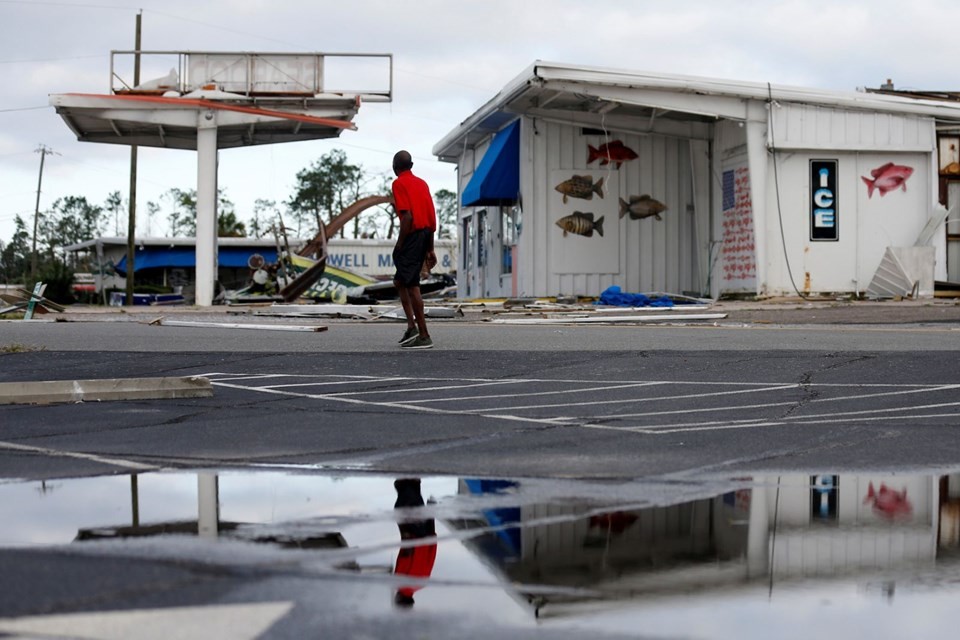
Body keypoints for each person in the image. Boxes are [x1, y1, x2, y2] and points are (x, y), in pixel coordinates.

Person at [390, 150, 437, 349]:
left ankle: (424, 334)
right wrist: (430, 249)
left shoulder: (399, 183)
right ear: (412, 165)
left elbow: (408, 217)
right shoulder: (422, 183)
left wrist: (400, 244)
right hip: (426, 233)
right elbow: (431, 218)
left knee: (411, 284)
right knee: (400, 280)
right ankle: (411, 327)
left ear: (395, 167)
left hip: (412, 234)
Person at [392, 478, 437, 607]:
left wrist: (431, 522)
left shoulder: (422, 584)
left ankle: (414, 482)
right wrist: (405, 533)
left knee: (415, 505)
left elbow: (431, 557)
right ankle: (407, 480)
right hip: (412, 537)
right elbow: (405, 558)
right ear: (399, 600)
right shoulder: (401, 584)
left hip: (425, 536)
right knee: (403, 507)